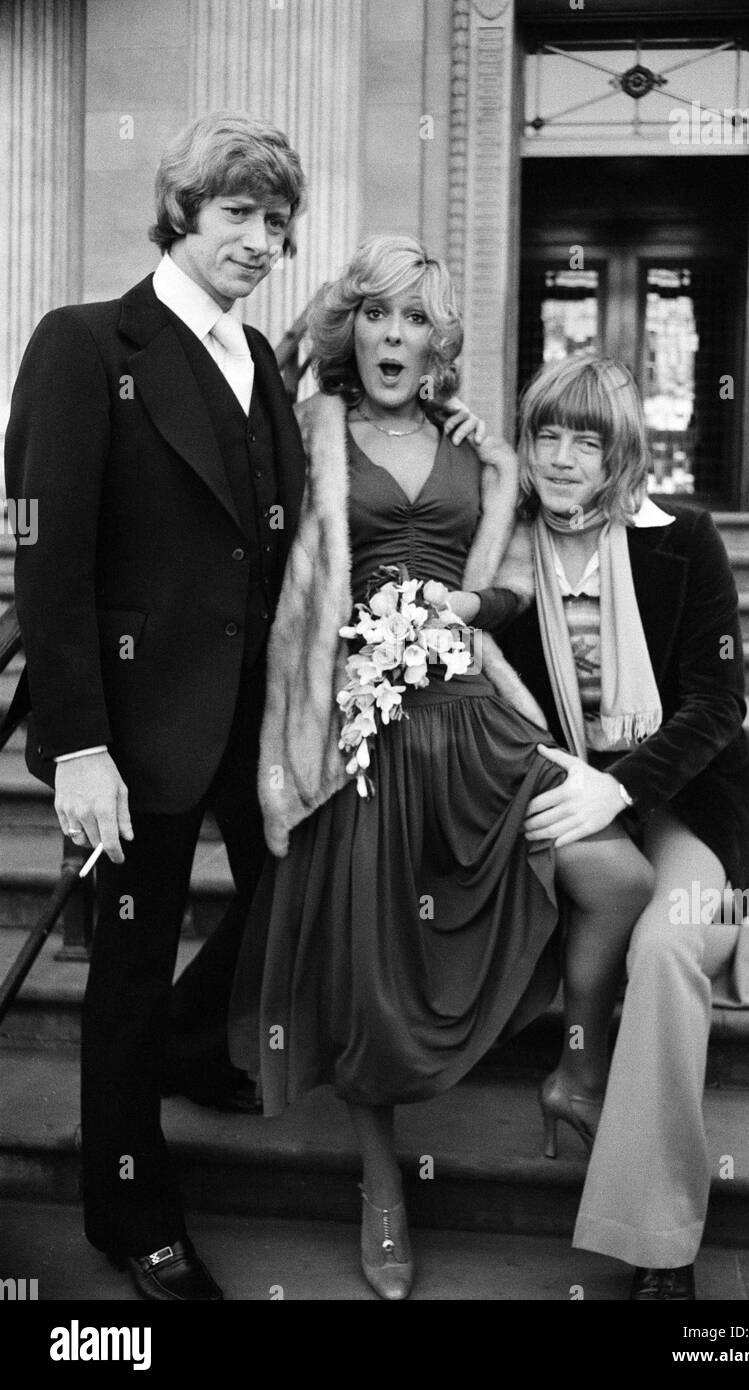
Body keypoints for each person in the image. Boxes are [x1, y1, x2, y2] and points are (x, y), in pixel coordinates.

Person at [228, 235, 654, 1300]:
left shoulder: (482, 451)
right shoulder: (305, 430)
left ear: (438, 345)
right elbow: (265, 438)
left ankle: (572, 1070)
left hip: (465, 705)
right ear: (352, 328)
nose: (395, 336)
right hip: (356, 722)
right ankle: (380, 1189)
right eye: (377, 315)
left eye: (416, 320)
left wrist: (460, 605)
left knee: (616, 877)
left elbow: (510, 579)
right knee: (368, 965)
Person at [4, 112, 307, 1300]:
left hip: (248, 715)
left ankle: (194, 1040)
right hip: (131, 726)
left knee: (304, 881)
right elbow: (51, 562)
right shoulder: (86, 344)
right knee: (129, 963)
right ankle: (131, 1210)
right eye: (238, 214)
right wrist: (78, 745)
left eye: (277, 224)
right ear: (183, 209)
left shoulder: (260, 360)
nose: (259, 241)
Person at [496, 354, 749, 1301]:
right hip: (555, 798)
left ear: (621, 453)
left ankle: (658, 1244)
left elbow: (716, 703)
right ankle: (572, 1072)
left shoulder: (683, 540)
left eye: (588, 438)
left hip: (686, 804)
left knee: (663, 952)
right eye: (546, 434)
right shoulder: (500, 551)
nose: (563, 457)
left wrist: (620, 789)